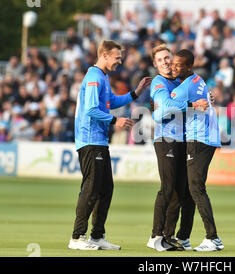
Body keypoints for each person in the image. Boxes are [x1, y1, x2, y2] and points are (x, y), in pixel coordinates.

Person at [68, 40, 152, 250]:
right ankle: (77, 238)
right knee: (91, 188)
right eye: (117, 57)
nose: (120, 61)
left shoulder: (102, 76)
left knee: (105, 189)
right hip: (89, 140)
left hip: (98, 140)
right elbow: (91, 110)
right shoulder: (95, 77)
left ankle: (97, 236)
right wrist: (116, 121)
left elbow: (111, 102)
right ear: (104, 55)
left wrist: (135, 92)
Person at [154, 49, 224, 251]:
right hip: (206, 137)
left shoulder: (184, 87)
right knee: (189, 190)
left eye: (178, 65)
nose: (173, 68)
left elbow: (160, 114)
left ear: (189, 67)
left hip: (198, 138)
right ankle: (183, 237)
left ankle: (213, 238)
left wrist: (157, 107)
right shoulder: (199, 81)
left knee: (195, 188)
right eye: (172, 64)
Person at [147, 44, 208, 251]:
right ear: (155, 65)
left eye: (167, 58)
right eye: (161, 60)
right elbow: (163, 110)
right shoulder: (159, 82)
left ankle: (168, 236)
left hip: (184, 139)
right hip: (166, 139)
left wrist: (205, 100)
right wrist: (192, 106)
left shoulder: (180, 82)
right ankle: (155, 235)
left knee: (180, 192)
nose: (165, 62)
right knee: (168, 188)